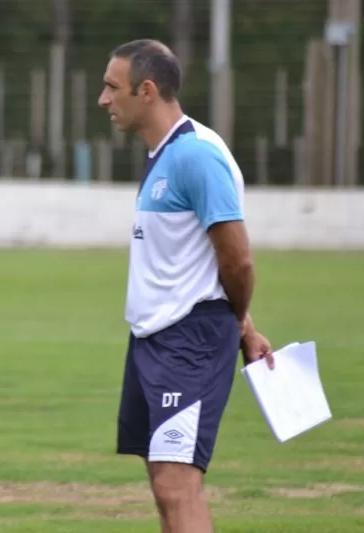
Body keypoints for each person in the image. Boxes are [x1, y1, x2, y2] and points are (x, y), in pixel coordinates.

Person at [97, 39, 274, 533]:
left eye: (112, 88)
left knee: (178, 484)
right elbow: (204, 260)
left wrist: (237, 323)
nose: (103, 100)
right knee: (164, 482)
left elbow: (237, 260)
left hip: (188, 342)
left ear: (146, 90)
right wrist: (246, 327)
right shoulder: (164, 154)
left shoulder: (196, 156)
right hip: (154, 339)